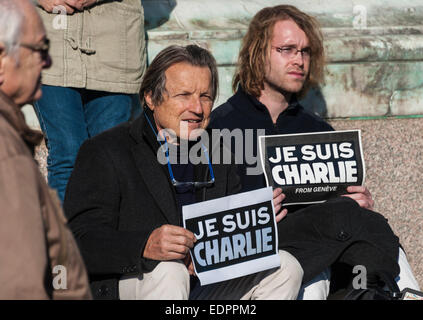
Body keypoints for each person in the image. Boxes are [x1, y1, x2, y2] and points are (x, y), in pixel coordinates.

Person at [209, 5, 420, 298]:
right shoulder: (219, 126)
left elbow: (339, 204)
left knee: (362, 229)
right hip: (256, 256)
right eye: (287, 49)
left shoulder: (317, 129)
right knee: (319, 270)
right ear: (258, 53)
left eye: (305, 51)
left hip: (322, 248)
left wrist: (355, 201)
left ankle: (404, 292)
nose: (299, 60)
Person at [63, 44, 304, 300]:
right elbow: (77, 242)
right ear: (151, 97)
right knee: (170, 270)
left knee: (284, 265)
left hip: (203, 282)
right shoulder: (106, 150)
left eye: (206, 96)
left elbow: (224, 239)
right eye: (184, 95)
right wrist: (144, 244)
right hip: (136, 281)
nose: (197, 108)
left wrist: (254, 226)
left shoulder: (220, 152)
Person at [0, 0, 91, 299]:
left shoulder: (11, 139)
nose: (47, 61)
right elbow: (21, 283)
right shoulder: (7, 154)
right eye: (39, 49)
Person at [34, 0, 147, 202]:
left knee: (109, 158)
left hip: (114, 44)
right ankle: (67, 234)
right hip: (50, 42)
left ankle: (103, 232)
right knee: (67, 154)